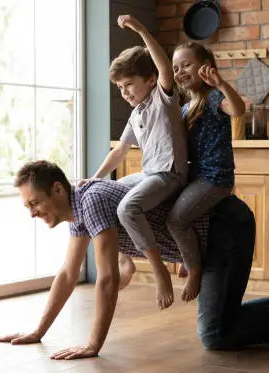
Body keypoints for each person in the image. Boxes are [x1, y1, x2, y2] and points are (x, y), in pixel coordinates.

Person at [0, 160, 269, 360]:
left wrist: (93, 345)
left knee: (215, 333)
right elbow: (68, 274)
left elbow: (105, 280)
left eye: (34, 203)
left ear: (58, 189)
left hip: (224, 228)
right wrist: (38, 332)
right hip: (212, 235)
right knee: (221, 324)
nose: (32, 213)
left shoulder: (92, 200)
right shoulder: (80, 209)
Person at [80, 15, 188, 310]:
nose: (124, 92)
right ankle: (124, 260)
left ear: (150, 80)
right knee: (102, 193)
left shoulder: (162, 100)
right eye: (120, 88)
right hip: (148, 174)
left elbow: (164, 66)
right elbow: (120, 151)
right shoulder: (137, 112)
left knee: (127, 207)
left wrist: (141, 29)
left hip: (170, 174)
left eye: (128, 84)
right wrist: (95, 177)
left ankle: (159, 272)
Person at [165, 42, 246, 303]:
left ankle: (195, 269)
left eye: (186, 64)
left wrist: (221, 83)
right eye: (175, 68)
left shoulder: (214, 98)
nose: (179, 72)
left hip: (215, 178)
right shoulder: (187, 107)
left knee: (176, 220)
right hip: (197, 176)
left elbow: (239, 109)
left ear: (206, 66)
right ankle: (186, 256)